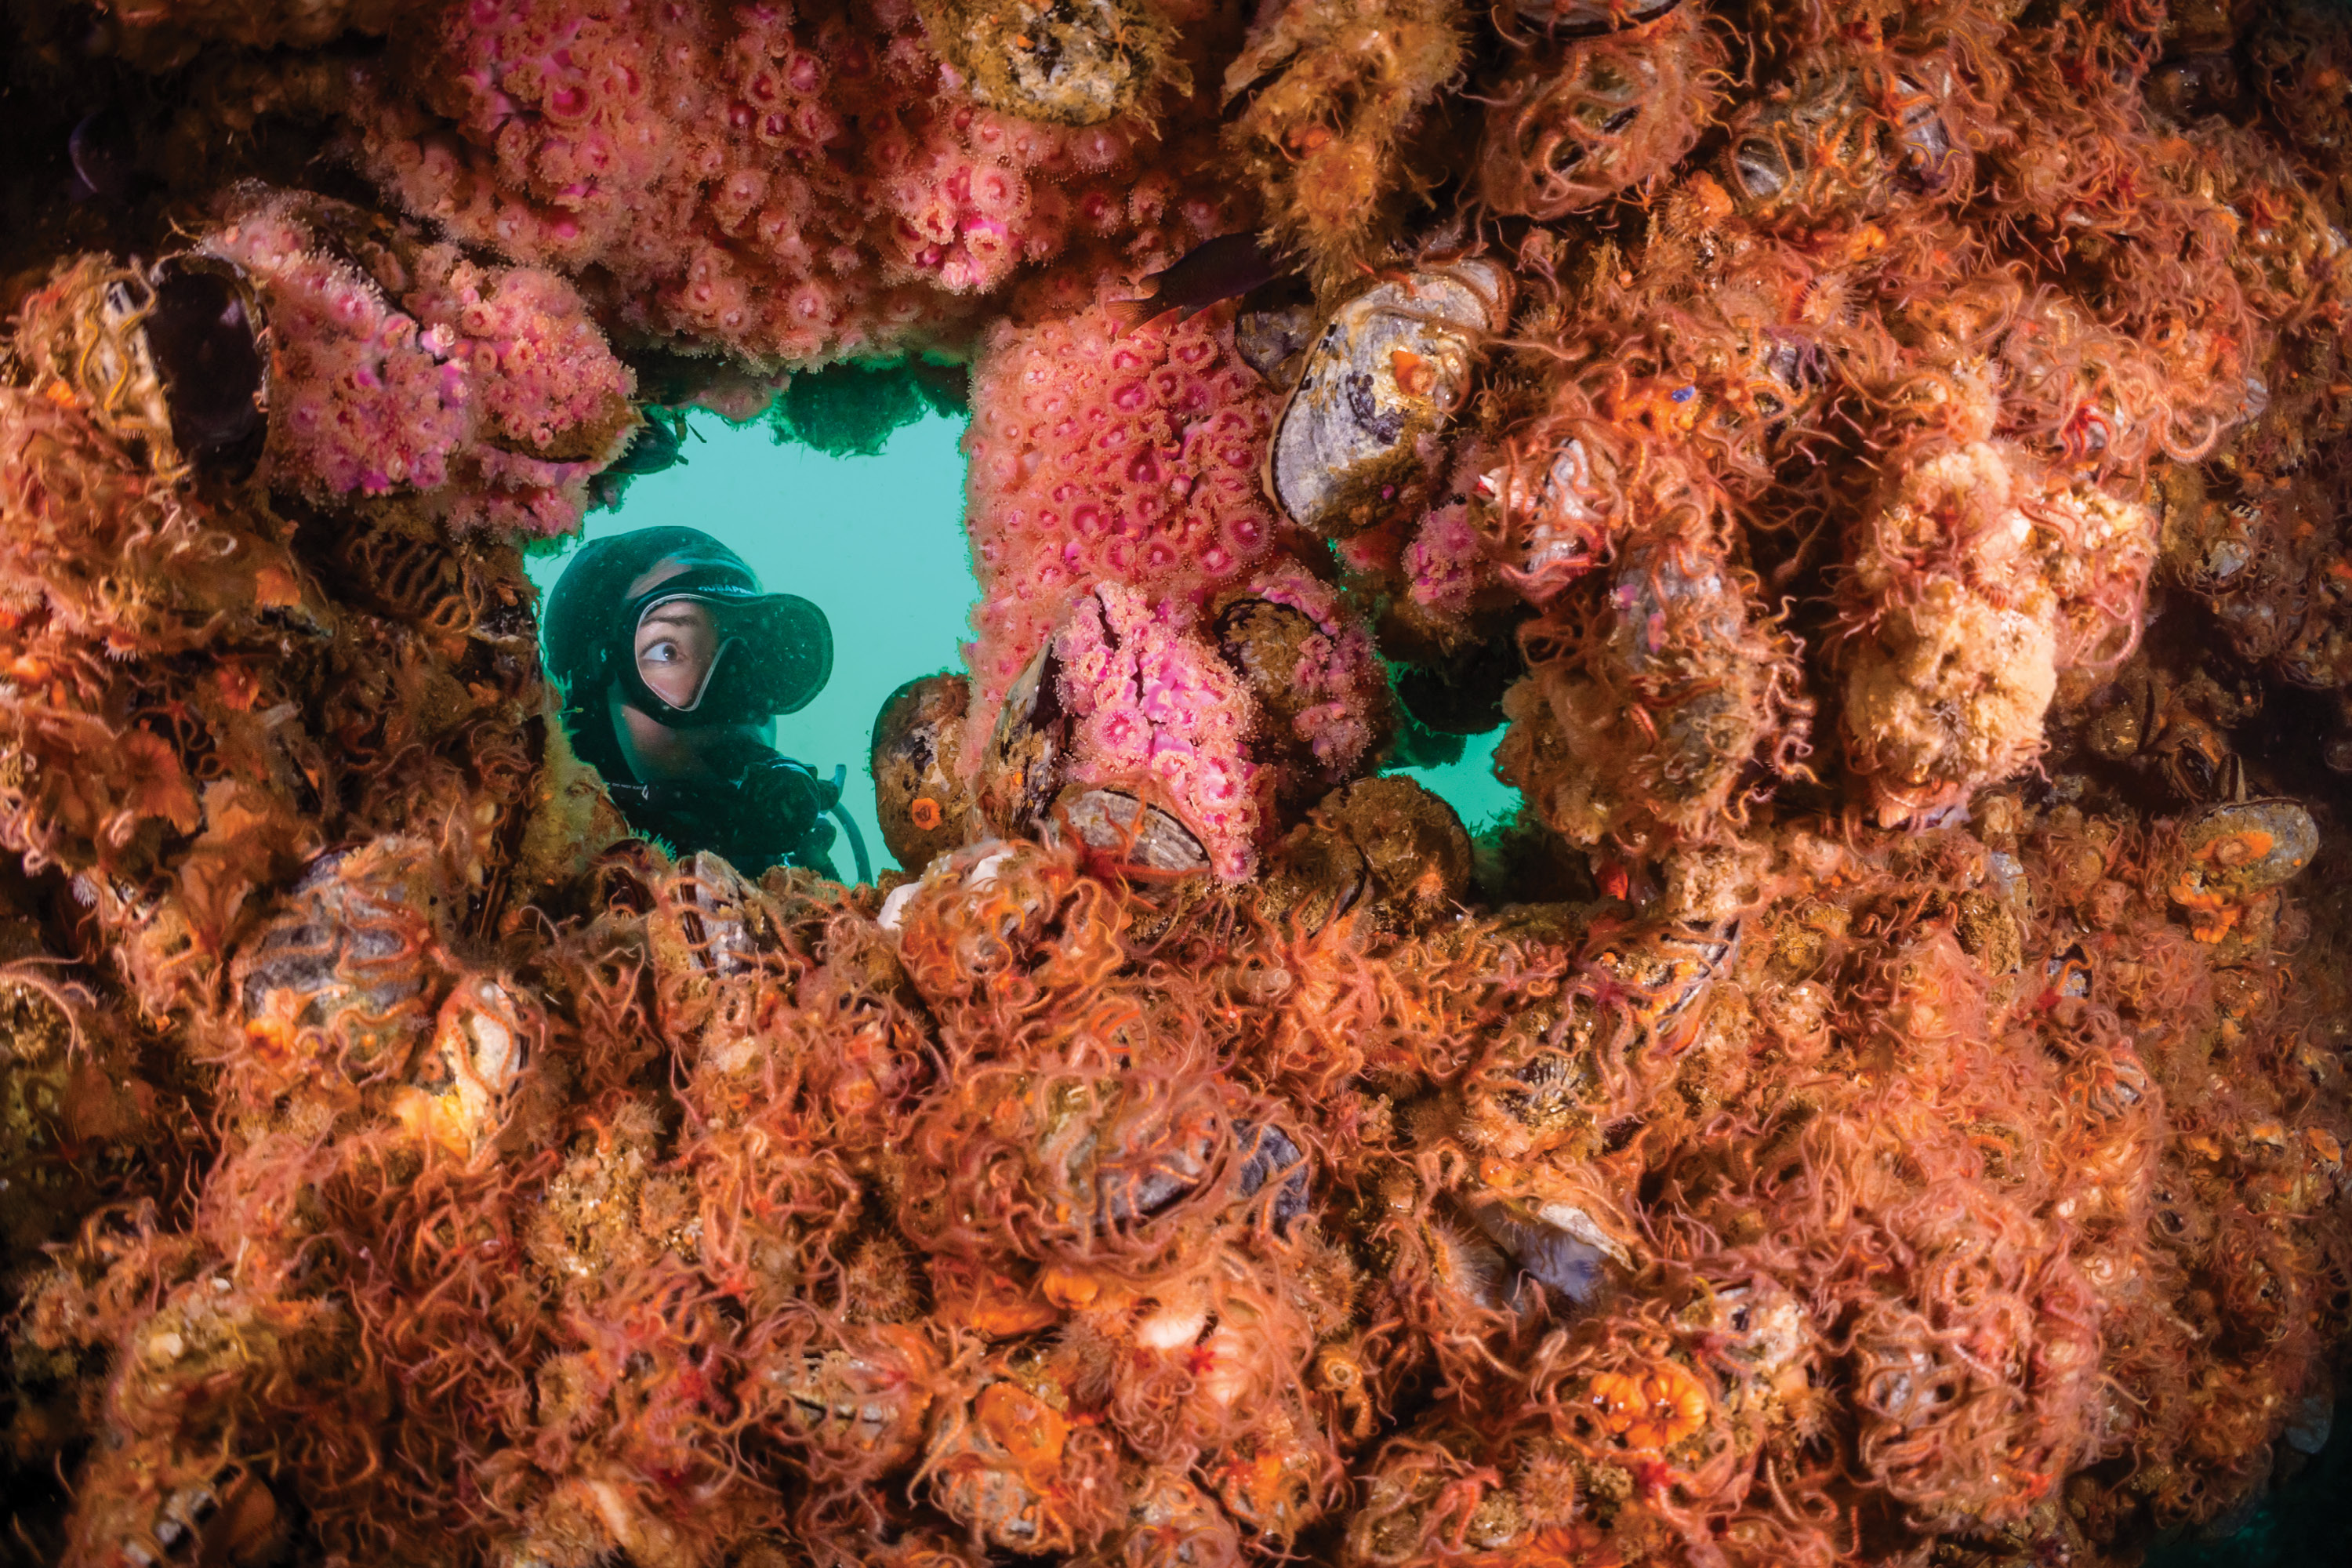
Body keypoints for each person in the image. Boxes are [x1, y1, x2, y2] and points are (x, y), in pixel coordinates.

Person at [543, 525, 868, 880]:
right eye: (668, 651)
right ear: (588, 697)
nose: (738, 695)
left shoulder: (808, 877)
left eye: (761, 652)